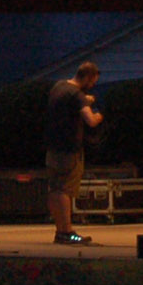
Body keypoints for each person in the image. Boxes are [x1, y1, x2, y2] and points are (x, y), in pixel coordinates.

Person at [45, 61, 103, 246]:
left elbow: (68, 103)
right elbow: (90, 121)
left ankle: (59, 230)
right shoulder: (77, 96)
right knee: (65, 189)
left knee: (54, 188)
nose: (93, 85)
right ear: (86, 77)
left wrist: (86, 99)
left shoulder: (59, 86)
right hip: (70, 150)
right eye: (92, 81)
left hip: (53, 147)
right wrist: (99, 115)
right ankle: (67, 232)